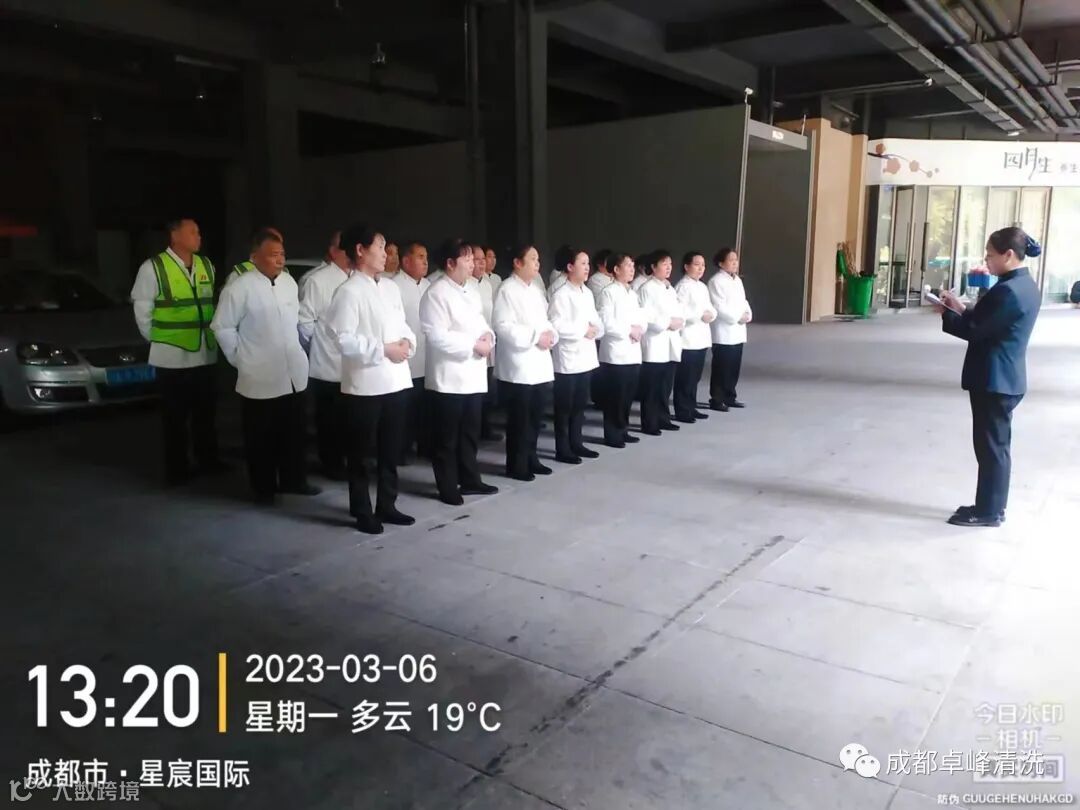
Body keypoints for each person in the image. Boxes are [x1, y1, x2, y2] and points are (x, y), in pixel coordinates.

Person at [936, 227, 1042, 528]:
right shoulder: (1024, 285)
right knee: (995, 447)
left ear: (1008, 255)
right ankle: (990, 505)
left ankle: (989, 512)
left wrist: (946, 313)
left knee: (991, 449)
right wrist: (961, 308)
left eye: (990, 255)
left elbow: (976, 331)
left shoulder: (1007, 291)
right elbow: (991, 320)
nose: (986, 260)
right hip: (1006, 377)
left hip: (995, 379)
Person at [211, 229, 318, 505]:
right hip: (258, 375)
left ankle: (295, 480)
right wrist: (240, 359)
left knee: (293, 432)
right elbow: (222, 327)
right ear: (254, 257)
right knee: (261, 436)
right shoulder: (239, 288)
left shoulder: (289, 283)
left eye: (282, 254)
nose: (280, 259)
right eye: (273, 255)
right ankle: (264, 488)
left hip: (292, 372)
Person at [324, 224, 416, 534]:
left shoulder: (389, 288)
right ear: (360, 251)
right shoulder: (348, 291)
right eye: (379, 247)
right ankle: (362, 509)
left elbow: (403, 324)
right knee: (361, 455)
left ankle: (387, 504)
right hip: (364, 385)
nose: (385, 253)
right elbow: (342, 339)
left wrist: (407, 342)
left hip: (396, 381)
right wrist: (383, 349)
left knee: (390, 451)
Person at [131, 217, 225, 485]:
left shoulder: (206, 265)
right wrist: (159, 340)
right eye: (193, 232)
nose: (199, 237)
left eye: (199, 232)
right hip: (171, 357)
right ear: (174, 235)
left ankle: (208, 460)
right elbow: (142, 311)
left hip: (204, 352)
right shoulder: (153, 267)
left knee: (205, 414)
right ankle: (177, 469)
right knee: (175, 417)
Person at [420, 238, 500, 505]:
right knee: (447, 438)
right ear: (450, 263)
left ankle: (470, 479)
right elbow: (437, 336)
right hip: (449, 378)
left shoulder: (471, 290)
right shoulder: (436, 293)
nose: (472, 263)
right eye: (466, 258)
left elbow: (482, 323)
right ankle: (447, 485)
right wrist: (473, 345)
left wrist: (488, 337)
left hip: (473, 375)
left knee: (469, 433)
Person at [493, 244, 558, 481]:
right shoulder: (507, 289)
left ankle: (532, 457)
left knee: (534, 417)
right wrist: (535, 337)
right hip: (518, 366)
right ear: (517, 263)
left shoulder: (536, 290)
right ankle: (516, 464)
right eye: (532, 259)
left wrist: (551, 335)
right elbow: (503, 326)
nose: (537, 263)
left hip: (538, 362)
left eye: (538, 259)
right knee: (519, 420)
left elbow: (546, 320)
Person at [299, 230, 350, 479]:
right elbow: (304, 323)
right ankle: (331, 464)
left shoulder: (358, 278)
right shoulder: (317, 281)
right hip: (327, 364)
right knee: (329, 420)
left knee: (349, 419)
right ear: (333, 251)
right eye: (344, 246)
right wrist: (319, 348)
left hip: (353, 363)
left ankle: (348, 461)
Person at [549, 247, 604, 464]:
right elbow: (556, 325)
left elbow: (596, 320)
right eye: (582, 263)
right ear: (570, 267)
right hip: (568, 358)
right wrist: (583, 330)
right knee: (565, 407)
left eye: (588, 263)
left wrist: (595, 329)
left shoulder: (587, 292)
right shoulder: (561, 293)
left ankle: (577, 442)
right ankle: (563, 448)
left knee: (579, 405)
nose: (587, 267)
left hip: (585, 356)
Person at [390, 240, 433, 463]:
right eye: (420, 257)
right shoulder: (393, 286)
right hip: (406, 359)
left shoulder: (429, 285)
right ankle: (401, 450)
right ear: (406, 261)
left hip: (429, 358)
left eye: (426, 257)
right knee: (404, 411)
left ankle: (425, 446)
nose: (425, 262)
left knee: (426, 408)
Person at [597, 252, 646, 447]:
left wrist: (640, 329)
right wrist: (629, 330)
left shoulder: (632, 293)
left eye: (633, 266)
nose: (632, 269)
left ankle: (623, 429)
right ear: (616, 269)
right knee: (615, 396)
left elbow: (641, 316)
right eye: (628, 265)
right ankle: (612, 433)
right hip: (616, 352)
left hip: (632, 349)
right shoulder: (608, 292)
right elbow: (606, 321)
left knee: (627, 394)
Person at [638, 250, 684, 435]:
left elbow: (679, 310)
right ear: (653, 267)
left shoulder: (669, 288)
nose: (668, 268)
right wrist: (667, 323)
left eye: (670, 264)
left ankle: (663, 418)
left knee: (665, 385)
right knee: (652, 387)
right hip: (655, 342)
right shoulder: (647, 288)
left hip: (670, 341)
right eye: (664, 264)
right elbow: (648, 316)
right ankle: (649, 422)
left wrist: (679, 321)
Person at [673, 251, 716, 423]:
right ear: (686, 266)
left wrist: (710, 314)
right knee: (685, 377)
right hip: (688, 339)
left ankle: (691, 406)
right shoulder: (682, 287)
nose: (701, 268)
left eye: (703, 265)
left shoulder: (702, 286)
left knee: (695, 376)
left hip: (701, 337)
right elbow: (681, 312)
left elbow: (710, 307)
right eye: (697, 264)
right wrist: (700, 314)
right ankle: (682, 409)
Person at [708, 248, 752, 412]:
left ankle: (729, 396)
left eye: (736, 260)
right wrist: (737, 316)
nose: (735, 263)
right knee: (722, 366)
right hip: (724, 330)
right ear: (721, 263)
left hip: (738, 330)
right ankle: (717, 398)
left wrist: (747, 314)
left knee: (734, 365)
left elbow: (744, 301)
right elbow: (719, 306)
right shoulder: (716, 281)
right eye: (731, 260)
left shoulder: (737, 280)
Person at [468, 244, 502, 442]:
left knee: (488, 388)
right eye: (476, 260)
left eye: (483, 260)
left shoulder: (487, 284)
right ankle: (476, 430)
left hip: (489, 342)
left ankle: (485, 427)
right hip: (474, 346)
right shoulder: (466, 286)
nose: (481, 263)